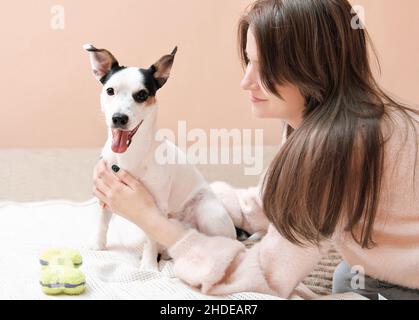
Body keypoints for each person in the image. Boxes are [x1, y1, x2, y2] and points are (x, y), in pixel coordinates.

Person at [92, 0, 419, 299]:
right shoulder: (345, 119)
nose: (246, 82)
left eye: (264, 67)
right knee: (347, 277)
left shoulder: (332, 147)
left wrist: (153, 220)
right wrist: (195, 195)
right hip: (367, 264)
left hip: (402, 282)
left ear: (311, 70)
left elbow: (265, 275)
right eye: (249, 60)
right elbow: (275, 202)